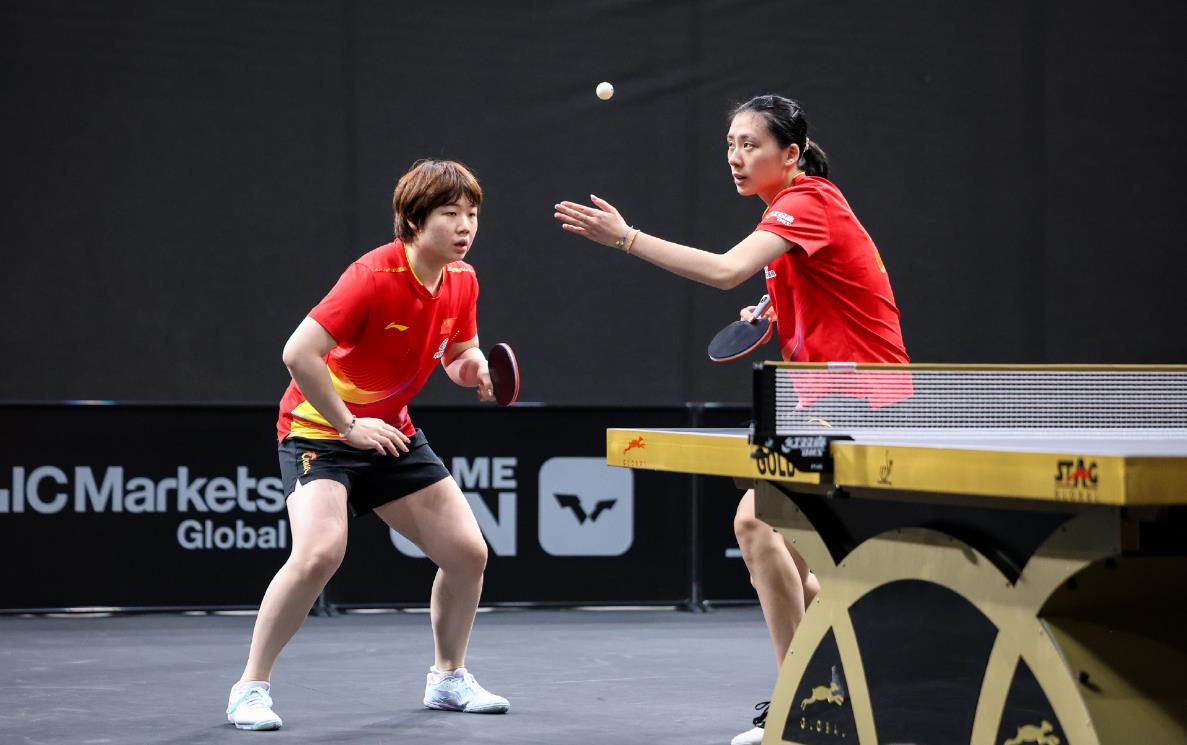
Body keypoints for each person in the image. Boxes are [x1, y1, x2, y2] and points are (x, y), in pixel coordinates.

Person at [553, 94, 908, 745]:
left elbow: (723, 271)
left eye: (750, 144)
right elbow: (828, 287)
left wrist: (626, 238)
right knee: (800, 558)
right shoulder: (790, 218)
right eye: (730, 145)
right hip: (828, 402)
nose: (735, 157)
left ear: (790, 154)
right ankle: (833, 692)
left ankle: (805, 706)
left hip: (860, 400)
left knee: (757, 524)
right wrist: (775, 308)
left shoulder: (808, 201)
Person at [226, 159, 510, 731]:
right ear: (415, 220)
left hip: (390, 430)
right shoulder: (372, 276)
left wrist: (476, 368)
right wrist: (349, 424)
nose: (465, 226)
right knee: (319, 553)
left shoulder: (462, 280)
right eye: (450, 214)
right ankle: (250, 687)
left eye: (472, 214)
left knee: (467, 553)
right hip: (319, 430)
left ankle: (448, 678)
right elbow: (297, 353)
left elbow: (457, 353)